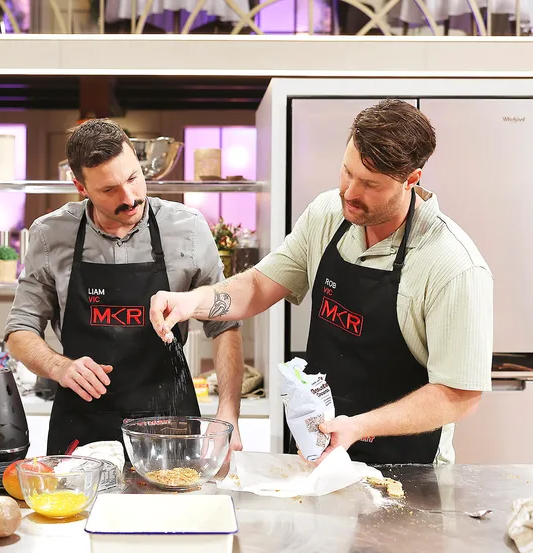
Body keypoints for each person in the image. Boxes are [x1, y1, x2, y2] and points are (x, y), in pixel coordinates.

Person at [149, 99, 493, 466]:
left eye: (369, 184)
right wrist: (192, 302)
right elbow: (259, 286)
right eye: (347, 172)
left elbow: (460, 393)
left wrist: (359, 427)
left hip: (408, 467)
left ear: (411, 179)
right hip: (317, 451)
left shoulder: (453, 265)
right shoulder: (328, 214)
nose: (349, 192)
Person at [4, 118, 245, 456]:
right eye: (109, 190)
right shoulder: (50, 234)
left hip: (168, 421)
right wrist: (59, 366)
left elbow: (225, 322)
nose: (130, 198)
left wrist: (228, 411)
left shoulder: (187, 229)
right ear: (80, 187)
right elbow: (19, 329)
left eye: (133, 178)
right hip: (82, 419)